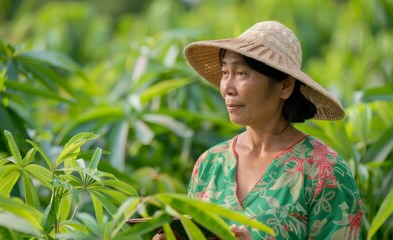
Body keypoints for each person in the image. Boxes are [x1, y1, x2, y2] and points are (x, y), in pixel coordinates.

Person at [154, 20, 363, 240]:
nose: (227, 88)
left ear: (285, 86)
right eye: (225, 72)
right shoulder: (209, 165)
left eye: (241, 73)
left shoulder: (324, 171)